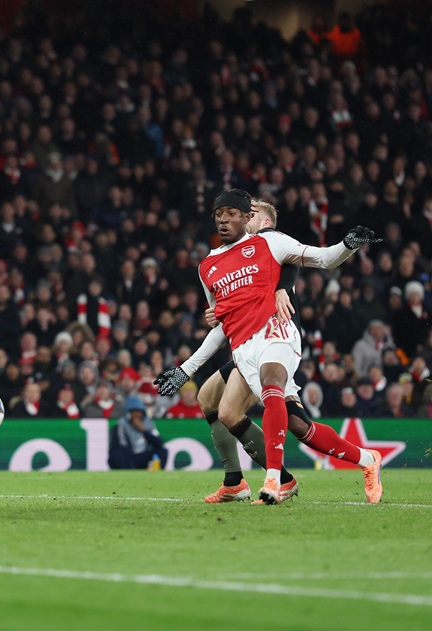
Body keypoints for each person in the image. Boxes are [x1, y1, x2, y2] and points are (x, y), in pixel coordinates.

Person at [156, 189, 383, 504]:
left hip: (276, 331)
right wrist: (185, 369)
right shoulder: (207, 267)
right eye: (219, 216)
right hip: (243, 349)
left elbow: (323, 258)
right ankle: (366, 459)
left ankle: (274, 480)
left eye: (231, 214)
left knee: (271, 387)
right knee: (295, 424)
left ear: (248, 219)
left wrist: (347, 246)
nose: (224, 220)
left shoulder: (269, 242)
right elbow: (222, 322)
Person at [109, 395, 167, 470]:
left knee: (162, 451)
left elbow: (159, 442)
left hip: (143, 454)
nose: (137, 415)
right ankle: (130, 473)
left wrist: (144, 431)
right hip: (129, 456)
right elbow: (121, 445)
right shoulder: (121, 425)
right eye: (134, 412)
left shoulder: (147, 423)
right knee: (118, 454)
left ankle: (154, 471)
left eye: (139, 412)